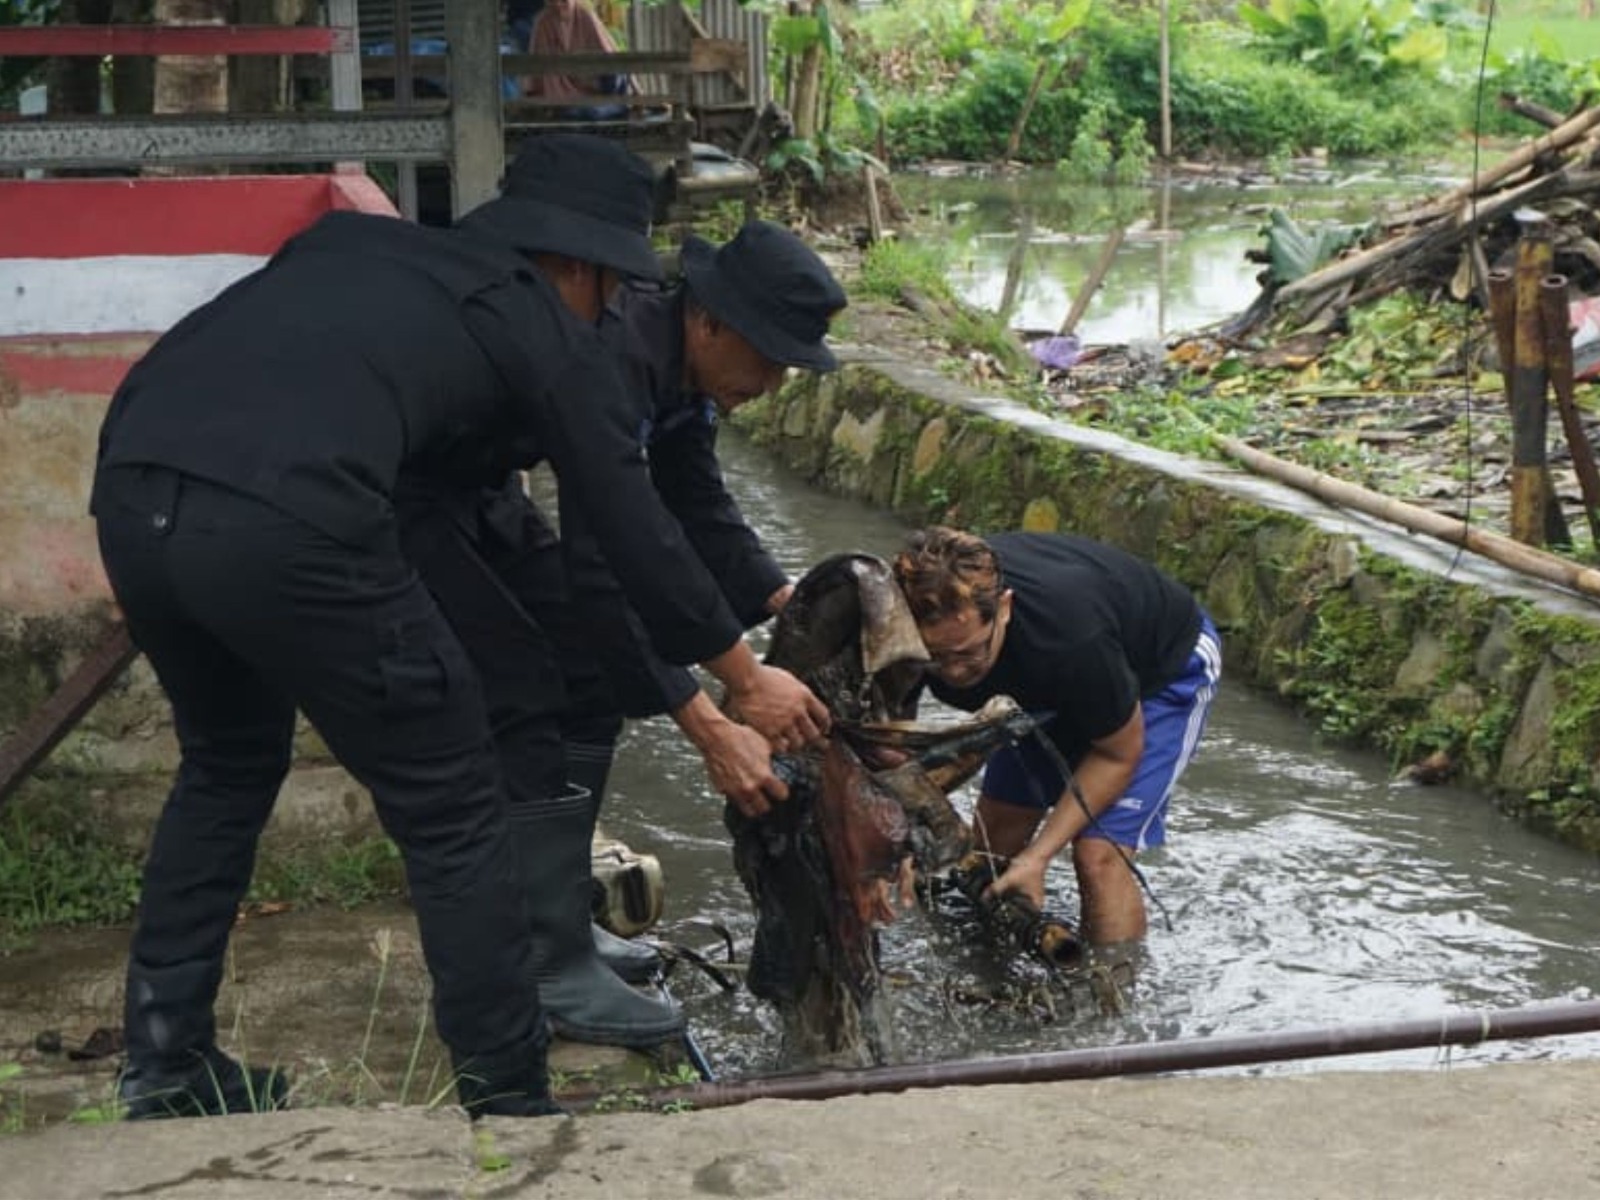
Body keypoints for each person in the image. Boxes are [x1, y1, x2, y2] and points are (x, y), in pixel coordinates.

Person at [92, 134, 828, 1121]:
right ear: (573, 266)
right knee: (453, 796)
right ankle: (510, 1100)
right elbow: (624, 529)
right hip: (299, 518)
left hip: (134, 489)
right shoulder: (545, 323)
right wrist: (737, 682)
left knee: (226, 768)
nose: (611, 308)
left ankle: (166, 1063)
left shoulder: (359, 250)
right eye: (609, 286)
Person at [395, 220, 847, 1049]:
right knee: (526, 687)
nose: (772, 382)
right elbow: (607, 560)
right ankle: (543, 968)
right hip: (411, 491)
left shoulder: (682, 374)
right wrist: (710, 717)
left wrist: (784, 599)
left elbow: (696, 501)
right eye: (768, 358)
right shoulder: (614, 358)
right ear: (708, 321)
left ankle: (563, 918)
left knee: (592, 672)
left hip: (483, 488)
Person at [891, 527, 1221, 948]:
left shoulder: (1071, 637)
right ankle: (984, 958)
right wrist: (900, 839)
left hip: (1162, 671)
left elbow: (1118, 753)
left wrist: (1039, 857)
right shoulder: (893, 630)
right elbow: (891, 749)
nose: (953, 672)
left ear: (1004, 609)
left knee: (1097, 855)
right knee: (992, 847)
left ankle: (1112, 981)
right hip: (1047, 679)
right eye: (935, 657)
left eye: (968, 653)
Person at [523, 0, 630, 121]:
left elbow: (610, 56)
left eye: (563, 1)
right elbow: (537, 73)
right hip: (561, 98)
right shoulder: (542, 22)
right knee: (580, 114)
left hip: (593, 91)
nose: (558, 4)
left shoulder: (586, 15)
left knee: (593, 111)